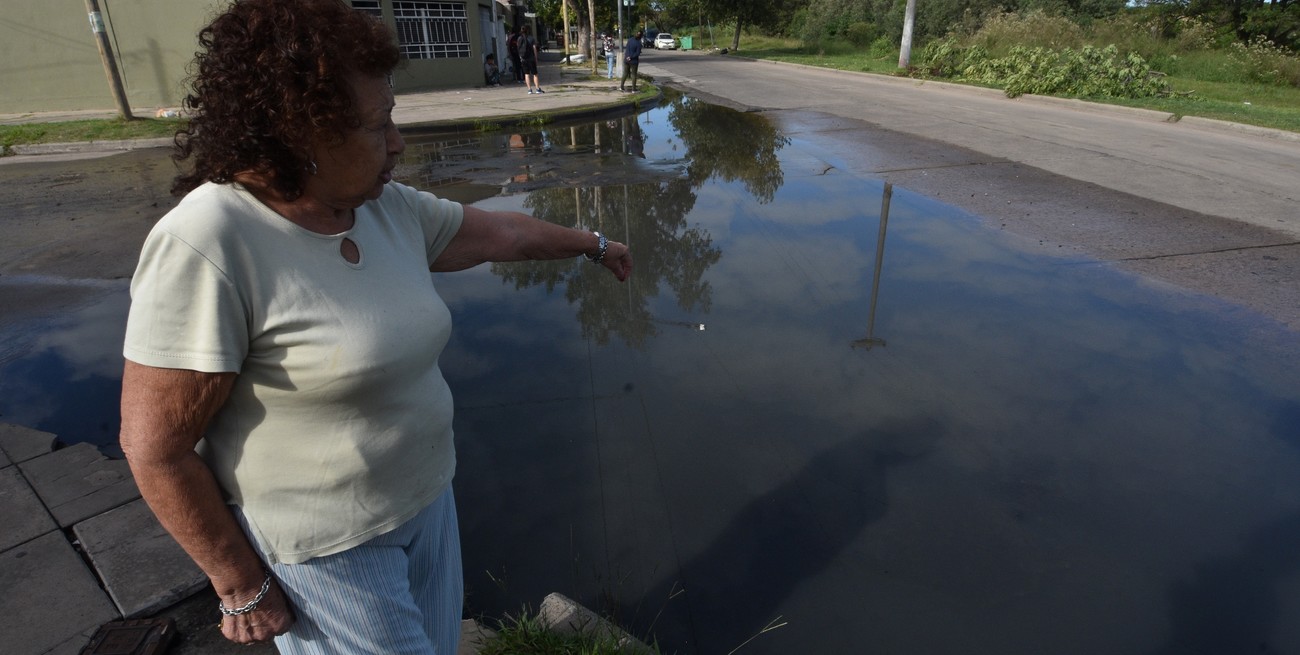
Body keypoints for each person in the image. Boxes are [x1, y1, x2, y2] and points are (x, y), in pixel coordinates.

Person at [118, 1, 632, 653]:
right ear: (299, 133)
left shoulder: (382, 209)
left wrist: (593, 242)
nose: (397, 143)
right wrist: (238, 582)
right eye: (376, 125)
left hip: (427, 502)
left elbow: (500, 231)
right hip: (328, 549)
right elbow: (155, 447)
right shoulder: (209, 241)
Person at [520, 25, 543, 94]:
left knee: (526, 74)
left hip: (523, 59)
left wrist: (521, 57)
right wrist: (536, 58)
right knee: (535, 74)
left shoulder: (520, 39)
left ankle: (529, 90)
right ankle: (537, 89)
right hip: (531, 58)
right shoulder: (531, 38)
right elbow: (534, 49)